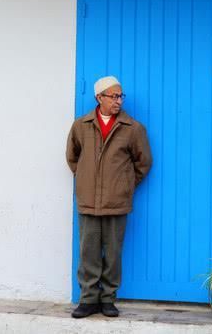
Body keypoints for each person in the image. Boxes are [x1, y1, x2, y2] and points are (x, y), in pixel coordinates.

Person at [66, 76, 153, 319]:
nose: (118, 101)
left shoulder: (133, 128)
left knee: (113, 253)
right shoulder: (81, 125)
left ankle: (108, 300)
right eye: (113, 96)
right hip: (88, 202)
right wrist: (85, 178)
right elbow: (72, 157)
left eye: (120, 96)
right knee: (88, 252)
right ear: (99, 98)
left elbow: (143, 163)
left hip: (117, 202)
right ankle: (88, 300)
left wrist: (124, 184)